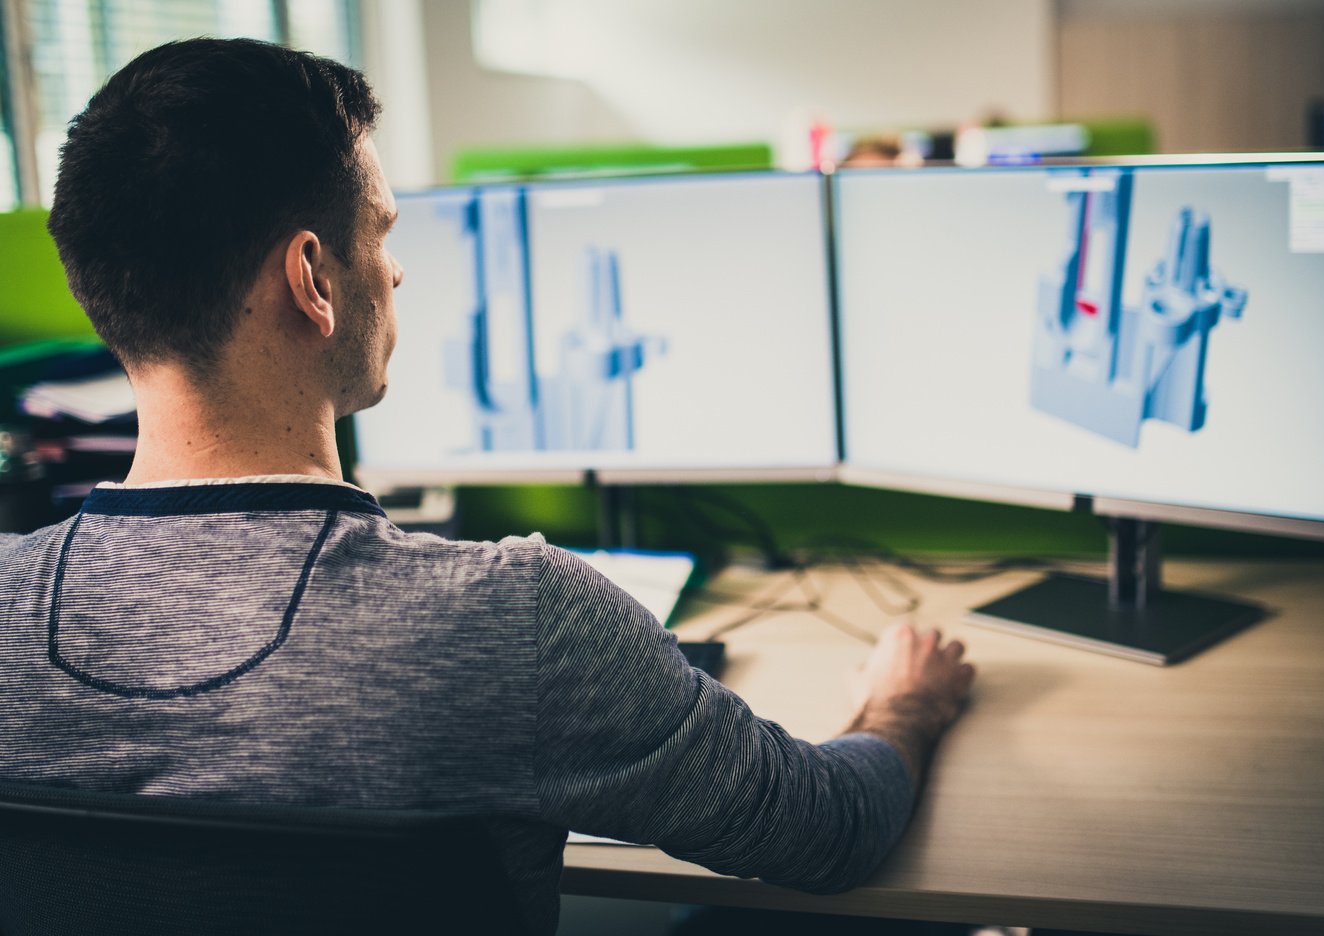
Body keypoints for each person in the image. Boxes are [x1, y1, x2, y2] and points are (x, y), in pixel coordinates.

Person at [0, 38, 975, 934]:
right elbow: (825, 832)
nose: (397, 270)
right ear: (313, 279)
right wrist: (905, 705)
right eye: (379, 232)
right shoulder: (515, 621)